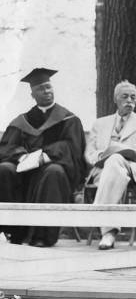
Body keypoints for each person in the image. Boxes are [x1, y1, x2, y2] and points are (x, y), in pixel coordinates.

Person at [0, 68, 86, 247]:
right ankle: (13, 231)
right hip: (24, 172)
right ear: (32, 94)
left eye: (49, 87)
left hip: (52, 168)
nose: (47, 92)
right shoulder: (21, 121)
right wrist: (21, 156)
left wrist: (46, 155)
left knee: (53, 172)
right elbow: (6, 147)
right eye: (41, 89)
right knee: (4, 169)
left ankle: (43, 235)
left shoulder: (68, 119)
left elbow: (73, 147)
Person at [85, 80, 136, 250]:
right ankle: (108, 230)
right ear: (115, 99)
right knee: (113, 160)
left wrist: (132, 154)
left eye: (133, 97)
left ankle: (108, 231)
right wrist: (105, 155)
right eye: (125, 97)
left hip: (133, 169)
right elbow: (90, 154)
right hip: (102, 171)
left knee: (116, 159)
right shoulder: (99, 124)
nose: (130, 101)